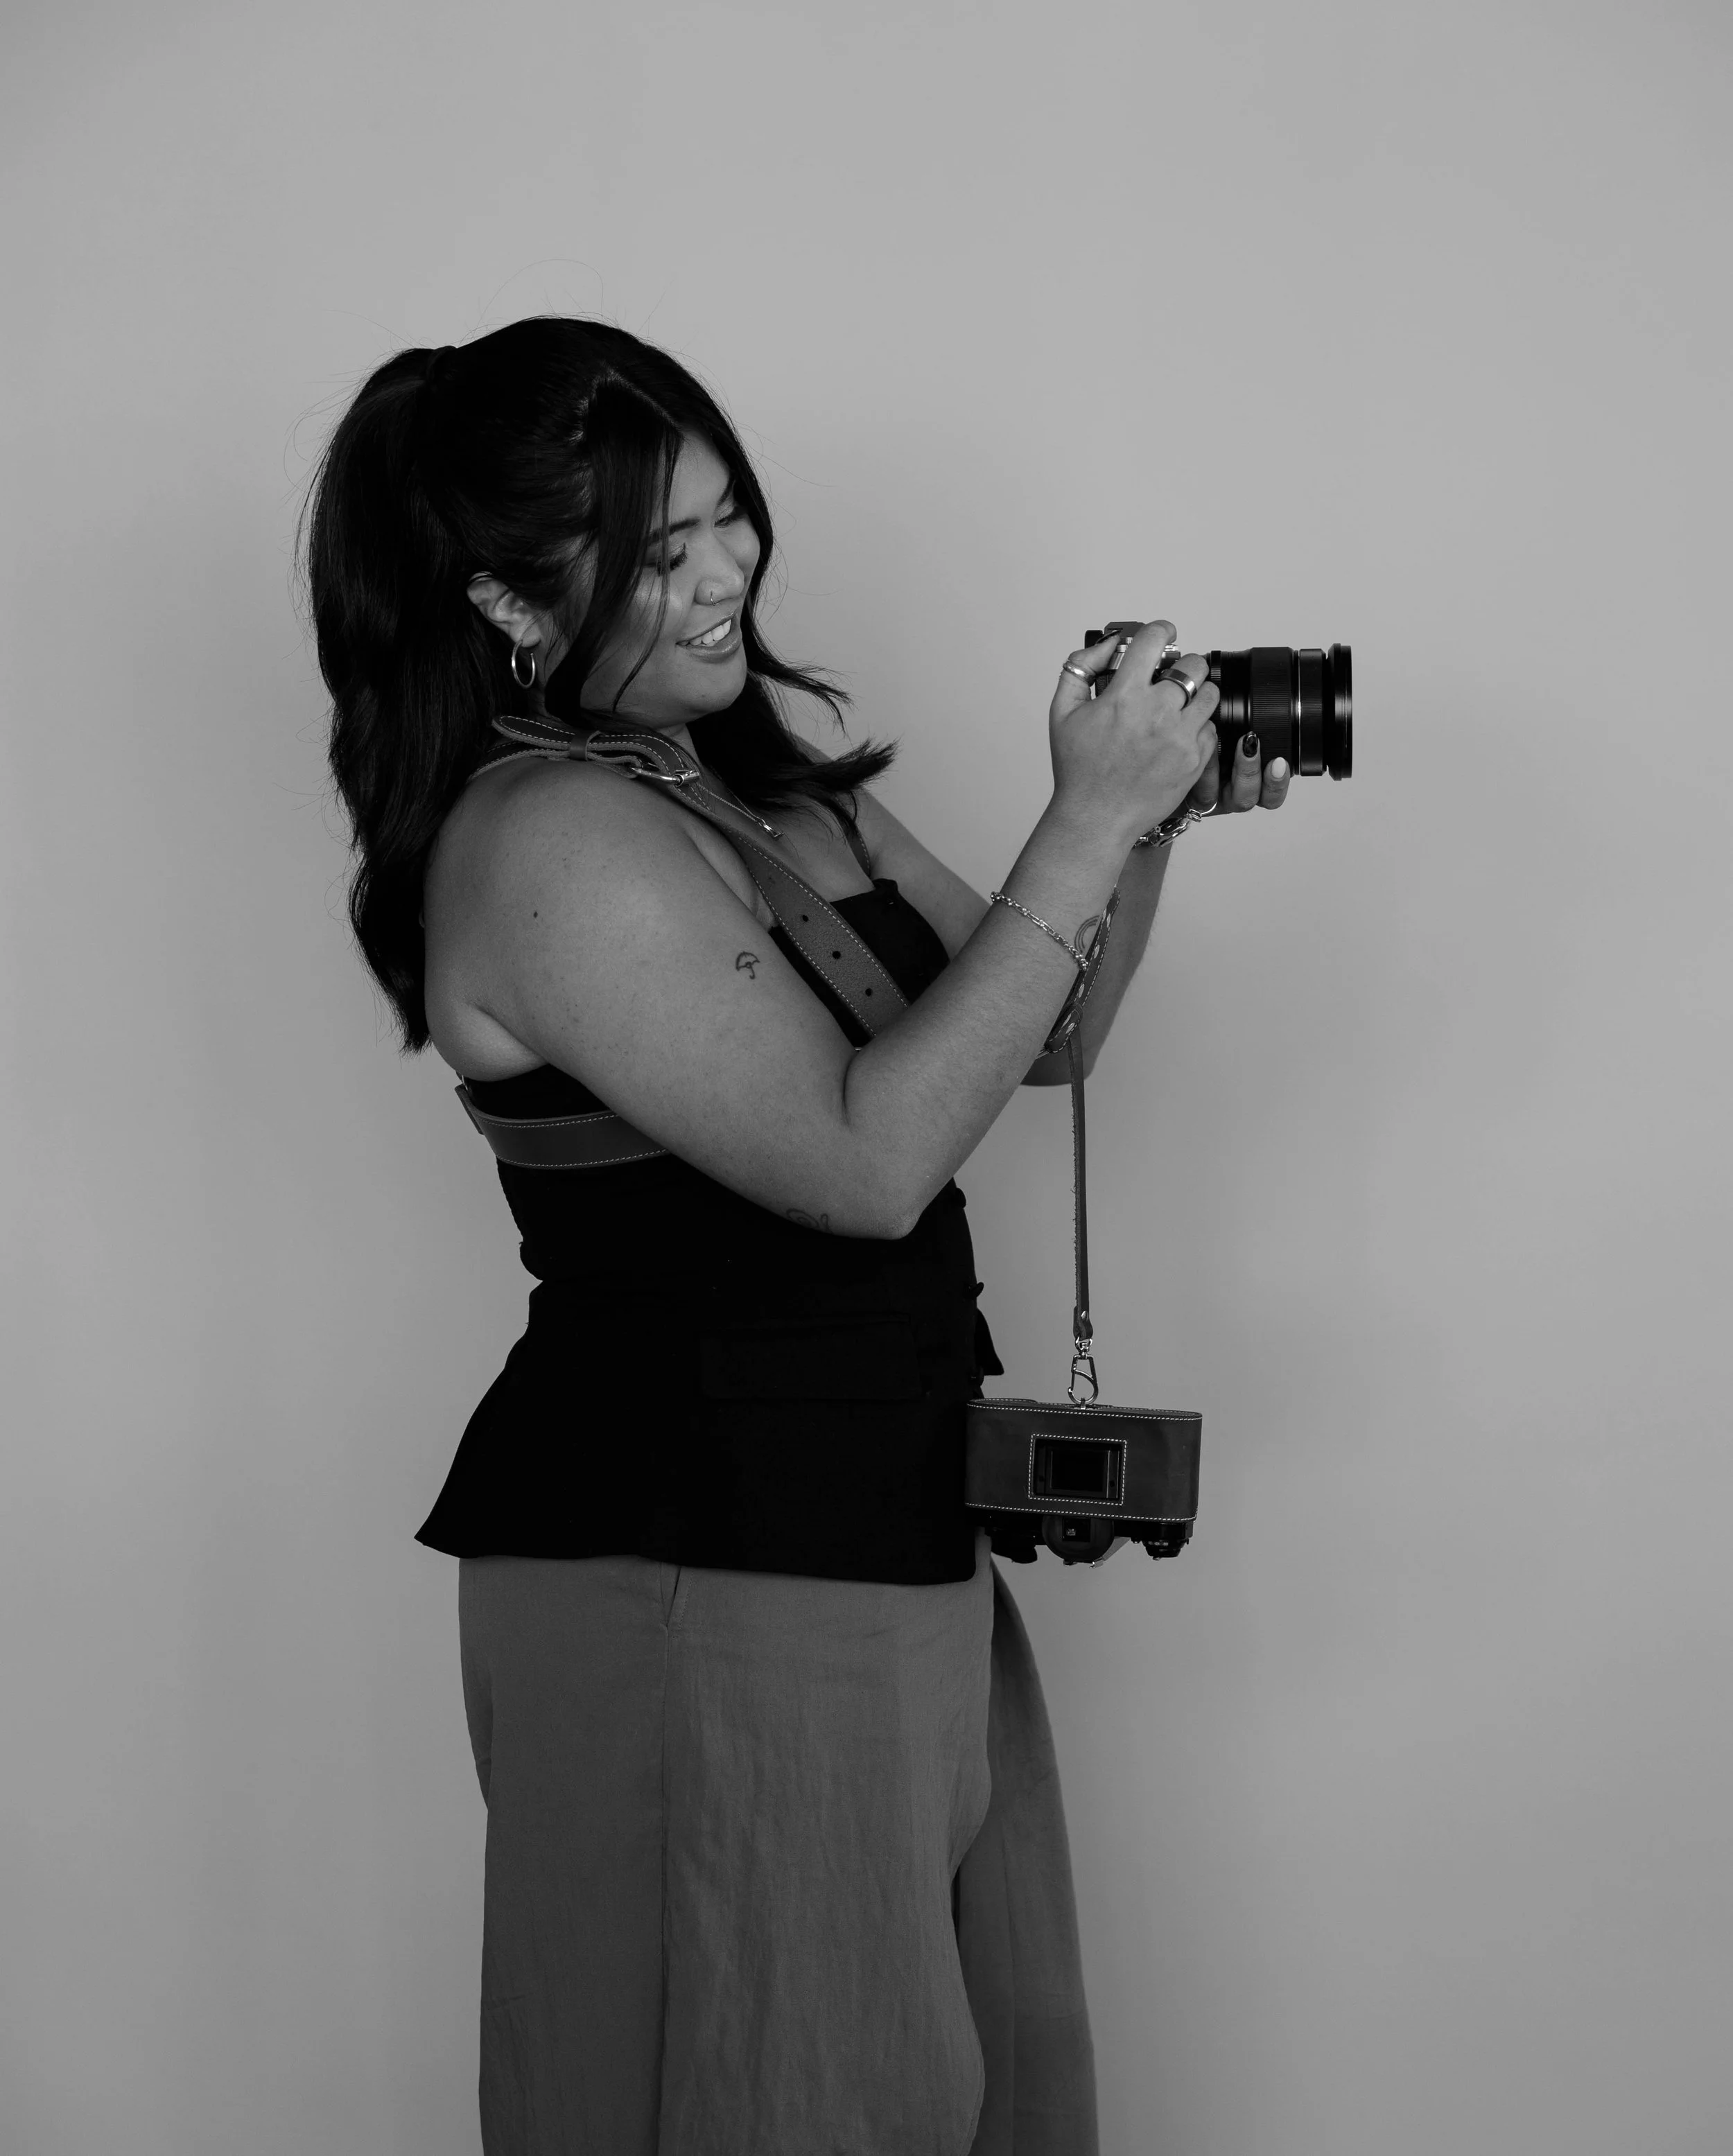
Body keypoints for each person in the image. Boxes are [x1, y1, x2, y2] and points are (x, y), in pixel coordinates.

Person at [302, 315, 1289, 2156]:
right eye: (654, 551)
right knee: (783, 2094)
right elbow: (864, 1159)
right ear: (510, 608)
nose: (724, 572)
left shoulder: (762, 786)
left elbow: (1037, 1030)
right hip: (689, 1558)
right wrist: (1076, 824)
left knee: (957, 2075)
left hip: (875, 1518)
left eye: (725, 513)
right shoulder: (542, 842)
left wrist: (1138, 831)